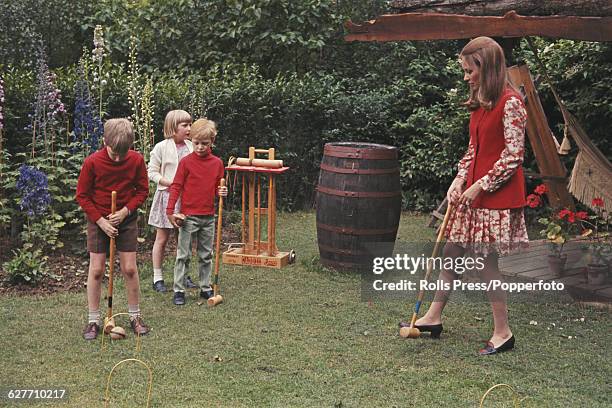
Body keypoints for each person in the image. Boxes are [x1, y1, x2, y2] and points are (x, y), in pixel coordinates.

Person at [401, 37, 528, 355]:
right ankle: (433, 316)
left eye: (469, 70)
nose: (465, 76)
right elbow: (473, 151)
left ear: (485, 68)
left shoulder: (511, 102)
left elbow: (513, 155)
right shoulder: (480, 104)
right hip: (470, 195)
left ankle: (503, 332)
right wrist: (458, 181)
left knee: (486, 262)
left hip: (493, 197)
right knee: (451, 252)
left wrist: (480, 185)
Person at [76, 118, 151, 340]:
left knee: (129, 268)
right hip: (98, 220)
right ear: (104, 141)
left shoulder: (136, 160)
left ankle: (135, 316)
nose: (118, 158)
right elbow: (82, 195)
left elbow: (142, 190)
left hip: (125, 220)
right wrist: (101, 221)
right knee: (97, 269)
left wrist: (125, 212)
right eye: (114, 152)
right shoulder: (92, 162)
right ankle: (93, 320)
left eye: (123, 152)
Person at [166, 118, 227, 306]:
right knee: (183, 255)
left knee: (205, 254)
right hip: (188, 217)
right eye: (196, 143)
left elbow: (220, 187)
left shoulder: (217, 163)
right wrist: (170, 210)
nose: (200, 147)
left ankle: (205, 286)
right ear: (191, 140)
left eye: (205, 144)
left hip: (208, 216)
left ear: (212, 142)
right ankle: (179, 289)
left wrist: (223, 191)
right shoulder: (186, 162)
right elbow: (176, 186)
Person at [147, 109, 198, 293]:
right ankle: (157, 277)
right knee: (162, 238)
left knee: (184, 239)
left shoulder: (192, 146)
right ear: (172, 128)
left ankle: (183, 275)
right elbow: (151, 171)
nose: (188, 128)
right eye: (184, 125)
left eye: (190, 124)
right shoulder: (161, 147)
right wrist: (166, 182)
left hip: (186, 199)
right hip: (167, 197)